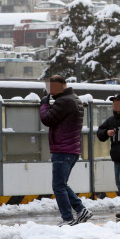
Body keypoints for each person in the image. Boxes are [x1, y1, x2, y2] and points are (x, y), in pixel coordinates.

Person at [40, 75, 93, 226]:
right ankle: (81, 209)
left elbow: (47, 119)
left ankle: (68, 218)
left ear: (63, 85)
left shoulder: (64, 101)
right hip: (70, 149)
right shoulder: (73, 98)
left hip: (63, 149)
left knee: (58, 185)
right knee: (61, 184)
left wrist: (44, 104)